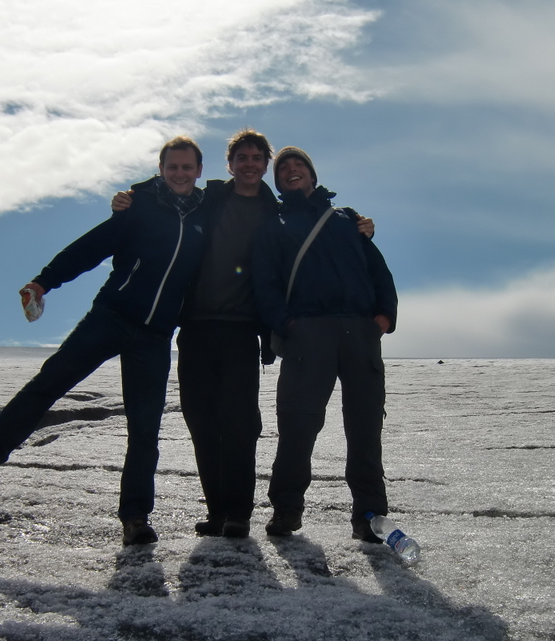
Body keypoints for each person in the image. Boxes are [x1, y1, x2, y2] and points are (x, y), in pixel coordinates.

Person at [112, 130, 375, 539]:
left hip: (241, 331)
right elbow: (173, 188)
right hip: (196, 326)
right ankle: (218, 512)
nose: (249, 164)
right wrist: (134, 195)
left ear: (265, 166)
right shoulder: (209, 199)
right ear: (230, 164)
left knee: (240, 424)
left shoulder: (277, 212)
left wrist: (361, 228)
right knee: (201, 422)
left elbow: (307, 242)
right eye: (242, 158)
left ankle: (238, 513)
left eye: (257, 158)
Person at [0, 136, 207, 546]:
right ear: (161, 170)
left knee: (145, 428)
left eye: (187, 167)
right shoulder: (139, 207)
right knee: (50, 381)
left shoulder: (206, 215)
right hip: (111, 316)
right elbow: (90, 248)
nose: (180, 173)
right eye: (172, 167)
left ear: (198, 170)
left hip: (155, 335)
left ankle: (135, 518)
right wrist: (45, 281)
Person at [251, 146, 398, 542]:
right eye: (283, 168)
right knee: (298, 425)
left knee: (365, 427)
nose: (291, 170)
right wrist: (287, 325)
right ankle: (286, 509)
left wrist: (383, 318)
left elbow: (378, 270)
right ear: (278, 182)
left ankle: (369, 515)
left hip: (360, 331)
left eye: (298, 164)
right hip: (308, 332)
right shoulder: (274, 223)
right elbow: (264, 282)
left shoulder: (345, 218)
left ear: (313, 175)